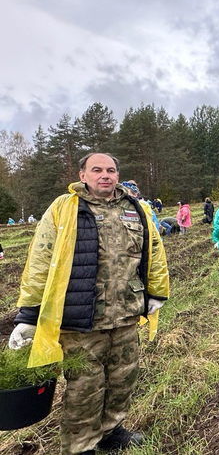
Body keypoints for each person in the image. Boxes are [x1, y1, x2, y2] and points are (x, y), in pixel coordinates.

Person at [8, 153, 170, 455]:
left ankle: (111, 432)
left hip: (125, 315)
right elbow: (41, 260)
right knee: (85, 388)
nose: (105, 175)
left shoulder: (136, 209)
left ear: (118, 175)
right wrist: (29, 315)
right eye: (97, 170)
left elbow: (154, 251)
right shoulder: (64, 208)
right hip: (81, 320)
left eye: (111, 169)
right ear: (82, 175)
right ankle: (81, 446)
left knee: (123, 379)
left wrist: (156, 293)